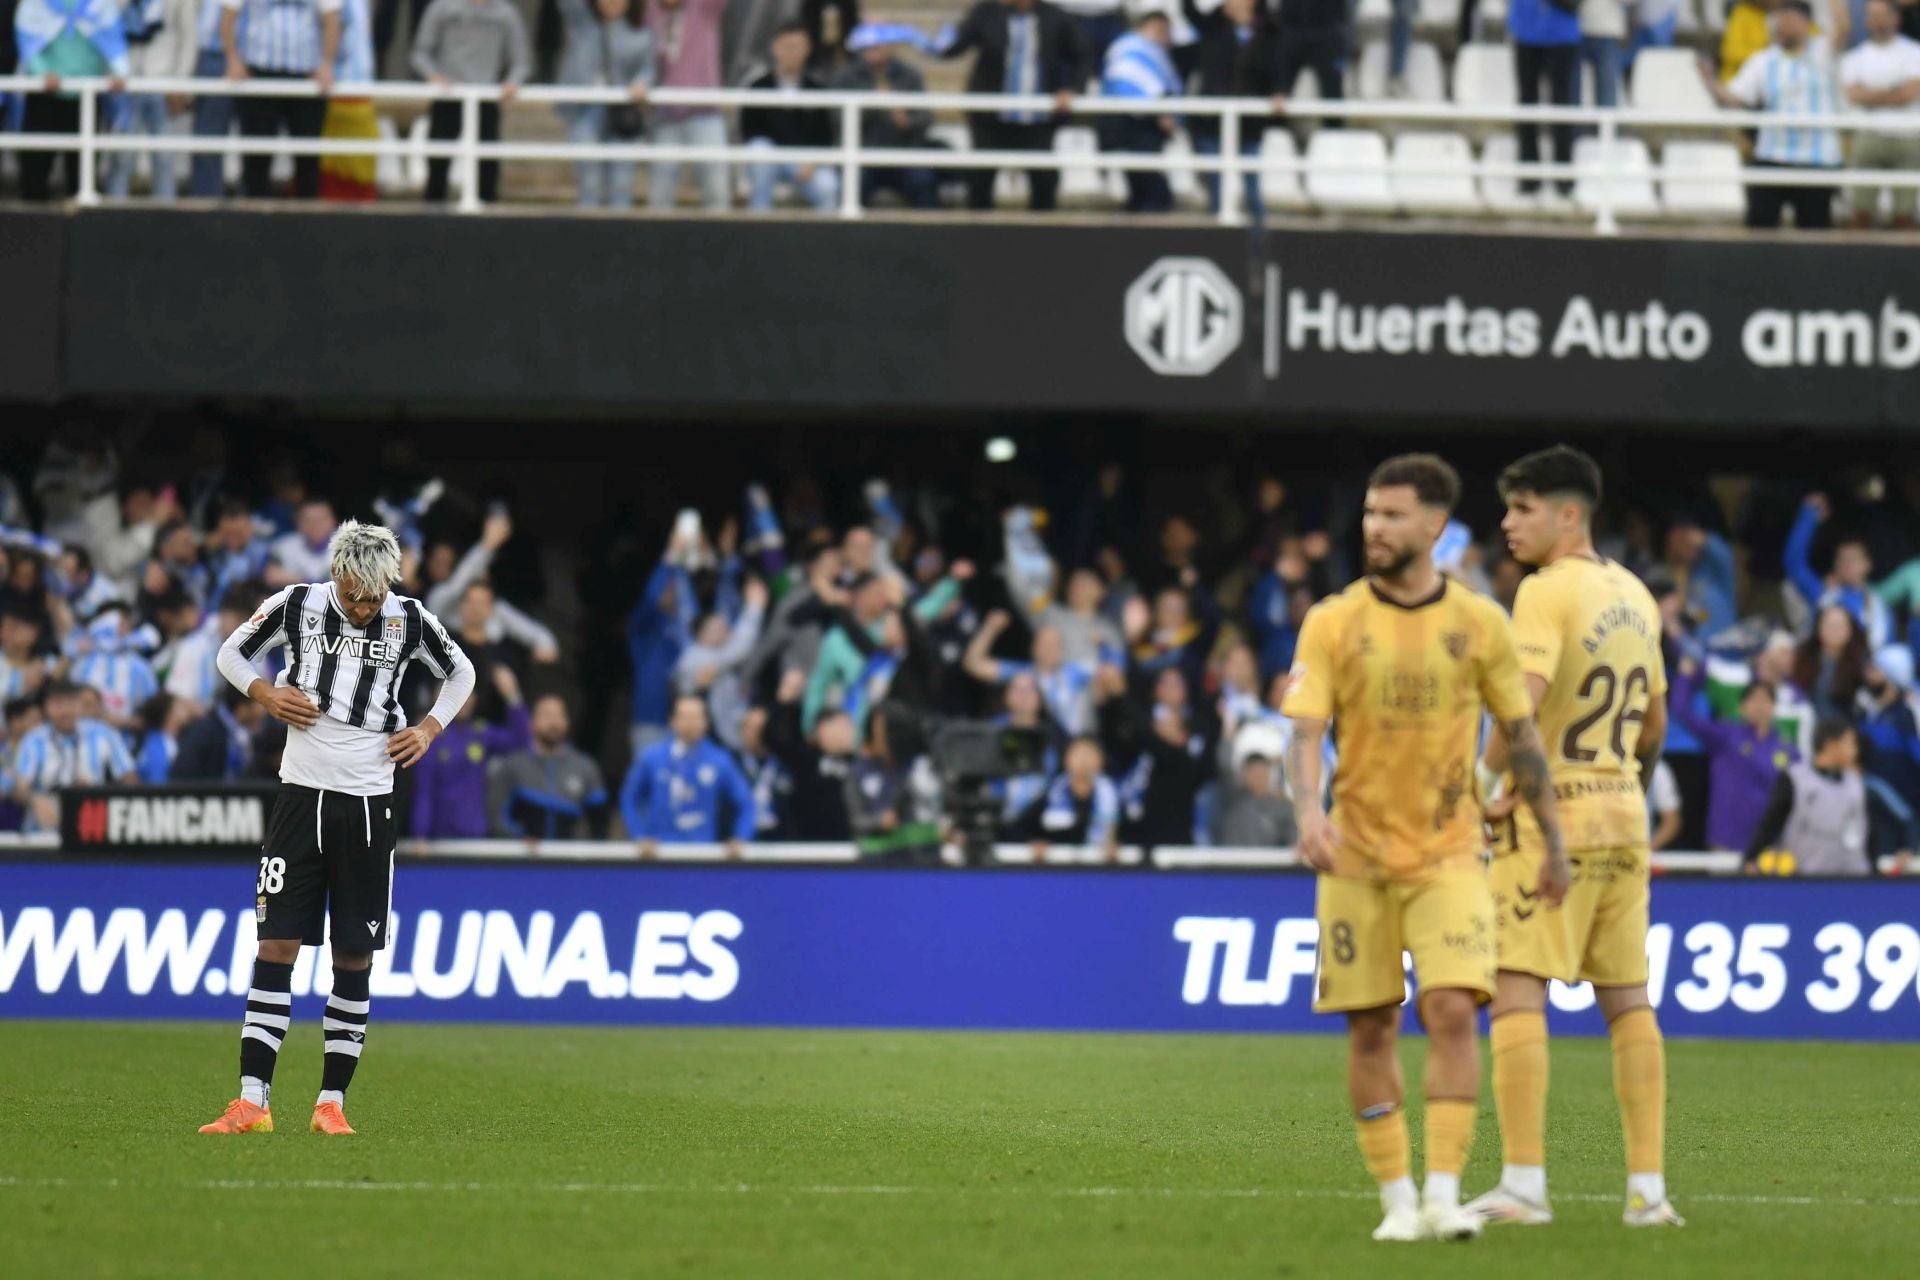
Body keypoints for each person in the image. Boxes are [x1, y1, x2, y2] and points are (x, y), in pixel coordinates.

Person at [1282, 453, 1568, 1244]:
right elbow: (1303, 734)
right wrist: (1308, 809)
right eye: (1370, 514)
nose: (1374, 528)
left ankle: (1444, 1196)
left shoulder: (1479, 623)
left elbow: (1522, 738)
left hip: (1449, 855)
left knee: (1449, 1011)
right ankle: (1398, 1201)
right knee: (1370, 1027)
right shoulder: (1334, 620)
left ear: (1435, 526)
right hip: (1356, 859)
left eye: (1392, 515)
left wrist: (1555, 842)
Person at [197, 520, 476, 1137]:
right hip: (300, 796)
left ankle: (331, 1105)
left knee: (353, 953)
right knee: (277, 946)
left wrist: (428, 728)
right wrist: (265, 695)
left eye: (374, 598)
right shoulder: (296, 604)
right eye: (354, 595)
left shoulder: (408, 617)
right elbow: (229, 653)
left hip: (369, 802)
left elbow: (462, 673)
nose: (363, 607)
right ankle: (251, 1102)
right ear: (337, 576)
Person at [1467, 445, 1683, 1230]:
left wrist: (1484, 788)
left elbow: (1515, 711)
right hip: (1625, 821)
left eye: (1521, 508)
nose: (1506, 523)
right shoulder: (1637, 594)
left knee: (1516, 986)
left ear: (1567, 514)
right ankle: (1647, 1194)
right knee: (1630, 1005)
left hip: (1550, 820)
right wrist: (1625, 786)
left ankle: (1524, 1186)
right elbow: (1654, 726)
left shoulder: (1543, 592)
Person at [1700, 0, 1845, 229]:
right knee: (1760, 228)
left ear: (1807, 24)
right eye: (1780, 21)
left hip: (1817, 159)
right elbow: (1734, 97)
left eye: (1789, 21)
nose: (1782, 27)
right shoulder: (1763, 60)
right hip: (1772, 154)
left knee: (1815, 234)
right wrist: (1709, 81)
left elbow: (1843, 29)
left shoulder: (1823, 53)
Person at [939, 0, 1091, 212]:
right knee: (980, 180)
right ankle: (976, 235)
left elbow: (1082, 55)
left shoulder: (1055, 17)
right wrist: (942, 36)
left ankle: (1043, 236)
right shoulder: (986, 13)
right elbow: (951, 48)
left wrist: (1072, 88)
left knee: (1045, 181)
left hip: (1037, 118)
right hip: (991, 118)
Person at [1671, 657, 1799, 852]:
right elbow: (1682, 711)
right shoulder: (1725, 736)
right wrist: (1686, 677)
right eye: (1753, 700)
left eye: (1765, 700)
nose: (1759, 705)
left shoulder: (1788, 751)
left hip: (1768, 847)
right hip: (1724, 842)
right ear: (1742, 707)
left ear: (1774, 708)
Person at [221, 0, 342, 199]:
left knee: (308, 162)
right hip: (259, 75)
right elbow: (227, 15)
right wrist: (233, 60)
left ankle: (307, 223)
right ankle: (255, 222)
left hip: (306, 79)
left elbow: (332, 20)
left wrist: (327, 64)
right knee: (256, 161)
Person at [12, 0, 131, 202]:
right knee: (35, 165)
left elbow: (112, 40)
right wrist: (41, 73)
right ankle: (32, 223)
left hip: (87, 95)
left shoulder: (100, 4)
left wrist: (118, 72)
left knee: (82, 170)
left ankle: (82, 224)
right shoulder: (36, 3)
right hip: (45, 94)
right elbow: (26, 38)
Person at [411, 0, 529, 203]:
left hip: (486, 98)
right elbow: (420, 53)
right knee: (437, 166)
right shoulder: (442, 8)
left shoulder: (505, 13)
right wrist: (434, 77)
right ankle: (432, 221)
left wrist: (511, 82)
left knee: (488, 169)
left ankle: (489, 223)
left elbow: (521, 61)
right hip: (448, 97)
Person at [1181, 0, 1282, 219]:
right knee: (1216, 187)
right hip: (1212, 122)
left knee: (1252, 190)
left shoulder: (1270, 31)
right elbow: (1188, 10)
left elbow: (1277, 68)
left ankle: (1259, 250)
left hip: (1249, 124)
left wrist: (1279, 91)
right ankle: (1216, 243)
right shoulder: (1214, 26)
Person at [620, 693, 756, 853]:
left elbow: (747, 802)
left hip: (702, 853)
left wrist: (741, 838)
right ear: (673, 721)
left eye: (696, 717)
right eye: (685, 716)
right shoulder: (651, 757)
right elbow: (629, 798)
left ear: (706, 723)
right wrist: (639, 836)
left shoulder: (719, 760)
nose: (691, 723)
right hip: (658, 852)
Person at [406, 662, 529, 836]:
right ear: (438, 697)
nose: (461, 699)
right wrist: (420, 832)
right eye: (453, 692)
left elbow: (520, 741)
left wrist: (512, 697)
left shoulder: (481, 733)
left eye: (466, 692)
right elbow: (424, 789)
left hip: (475, 833)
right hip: (438, 838)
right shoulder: (428, 738)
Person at [554, 0, 653, 209]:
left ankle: (620, 234)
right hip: (585, 110)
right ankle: (588, 234)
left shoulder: (639, 36)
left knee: (622, 182)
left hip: (621, 114)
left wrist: (641, 83)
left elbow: (648, 69)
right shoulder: (582, 26)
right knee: (589, 180)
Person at [1745, 717, 1872, 874]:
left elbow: (1866, 834)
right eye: (1850, 743)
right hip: (1799, 880)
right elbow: (1771, 822)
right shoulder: (1796, 779)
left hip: (1846, 882)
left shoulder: (1856, 785)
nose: (1855, 750)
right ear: (1830, 745)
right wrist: (1751, 858)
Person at [834, 23, 939, 209]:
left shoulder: (909, 75)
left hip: (902, 156)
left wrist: (907, 121)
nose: (873, 49)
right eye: (869, 45)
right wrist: (873, 104)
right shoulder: (848, 76)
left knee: (924, 180)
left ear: (891, 45)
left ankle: (929, 235)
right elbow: (837, 120)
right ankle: (851, 235)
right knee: (854, 180)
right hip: (863, 156)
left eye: (879, 43)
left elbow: (927, 117)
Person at [9, 679, 137, 832]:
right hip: (45, 826)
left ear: (79, 705)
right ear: (46, 708)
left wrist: (107, 797)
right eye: (57, 704)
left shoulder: (104, 734)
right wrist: (35, 800)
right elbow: (19, 789)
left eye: (70, 703)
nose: (64, 711)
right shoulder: (33, 740)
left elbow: (129, 778)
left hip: (93, 819)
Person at [106, 0, 200, 201]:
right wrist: (112, 72)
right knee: (121, 156)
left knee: (164, 158)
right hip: (126, 83)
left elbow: (189, 38)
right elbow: (107, 30)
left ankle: (166, 215)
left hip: (163, 83)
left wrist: (181, 84)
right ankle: (113, 211)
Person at [743, 21, 840, 213]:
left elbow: (826, 135)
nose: (791, 53)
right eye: (786, 47)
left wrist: (813, 161)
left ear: (807, 49)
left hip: (806, 161)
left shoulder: (817, 89)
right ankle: (759, 220)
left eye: (797, 47)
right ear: (775, 48)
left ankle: (826, 239)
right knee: (759, 151)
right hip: (771, 158)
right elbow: (750, 131)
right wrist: (782, 157)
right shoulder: (758, 87)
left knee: (828, 186)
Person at [1841, 0, 1920, 229]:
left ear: (1896, 18)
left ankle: (1908, 263)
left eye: (1883, 15)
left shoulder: (1914, 52)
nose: (1877, 21)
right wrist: (1894, 90)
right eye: (1873, 15)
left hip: (1908, 136)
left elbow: (1909, 93)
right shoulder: (1855, 56)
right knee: (1860, 211)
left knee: (1905, 214)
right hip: (1868, 135)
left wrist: (1871, 94)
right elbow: (1854, 94)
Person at [646, 0, 730, 211]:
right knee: (660, 192)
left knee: (716, 189)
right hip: (665, 116)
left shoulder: (702, 8)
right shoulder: (649, 13)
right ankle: (657, 241)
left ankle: (723, 239)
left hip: (704, 113)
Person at [490, 692, 611, 840]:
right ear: (532, 723)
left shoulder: (585, 767)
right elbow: (496, 817)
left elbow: (599, 824)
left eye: (559, 716)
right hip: (522, 859)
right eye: (546, 716)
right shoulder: (513, 766)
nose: (553, 723)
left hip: (570, 860)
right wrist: (519, 839)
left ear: (567, 723)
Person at [1097, 7, 1179, 214]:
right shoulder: (1128, 47)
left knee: (1147, 183)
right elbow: (1125, 83)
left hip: (1148, 127)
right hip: (1132, 125)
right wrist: (1158, 112)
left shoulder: (1156, 52)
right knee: (1146, 184)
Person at [672, 577, 769, 749]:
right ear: (701, 635)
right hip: (704, 736)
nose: (726, 633)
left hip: (727, 732)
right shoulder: (694, 658)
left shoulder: (716, 654)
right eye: (718, 629)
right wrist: (755, 608)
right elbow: (739, 650)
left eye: (726, 627)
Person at [1784, 492, 1890, 649]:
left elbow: (1888, 653)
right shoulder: (1824, 592)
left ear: (1867, 564)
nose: (1845, 564)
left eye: (1852, 559)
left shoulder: (1879, 605)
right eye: (1841, 559)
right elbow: (1794, 563)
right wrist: (1808, 516)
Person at [1509, 0, 1581, 200]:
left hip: (1562, 35)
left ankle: (1564, 180)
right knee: (1526, 106)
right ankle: (1528, 179)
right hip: (1525, 32)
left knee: (1562, 106)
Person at [1016, 734, 1118, 858]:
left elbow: (1132, 831)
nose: (1083, 761)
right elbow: (1018, 828)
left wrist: (1117, 845)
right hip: (1058, 871)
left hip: (1100, 871)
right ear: (1066, 759)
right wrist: (1034, 843)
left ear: (1101, 761)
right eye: (1078, 754)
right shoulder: (1052, 795)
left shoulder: (1111, 796)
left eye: (1089, 754)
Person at [172, 680, 268, 779]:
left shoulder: (239, 734)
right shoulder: (205, 733)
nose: (265, 711)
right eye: (261, 703)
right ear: (242, 707)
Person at [1791, 603, 1868, 723]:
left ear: (1850, 630)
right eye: (1829, 625)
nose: (1834, 630)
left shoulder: (1861, 664)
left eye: (1839, 626)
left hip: (1844, 732)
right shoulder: (1803, 658)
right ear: (1819, 628)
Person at [267, 499, 339, 585]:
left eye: (321, 519)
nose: (315, 525)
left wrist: (297, 579)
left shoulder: (350, 547)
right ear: (298, 522)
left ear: (333, 521)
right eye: (308, 520)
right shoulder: (284, 545)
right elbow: (271, 576)